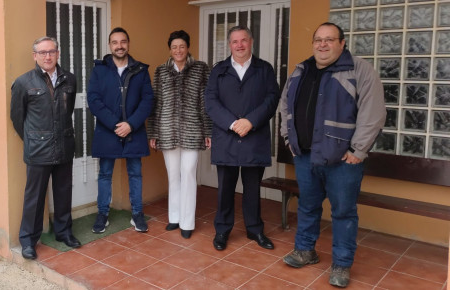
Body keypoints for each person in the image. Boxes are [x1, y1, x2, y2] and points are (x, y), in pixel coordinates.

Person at [279, 22, 386, 288]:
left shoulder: (359, 69)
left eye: (329, 39)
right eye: (318, 39)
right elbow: (285, 106)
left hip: (343, 161)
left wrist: (357, 150)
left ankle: (341, 263)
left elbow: (373, 112)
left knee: (343, 212)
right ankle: (305, 250)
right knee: (307, 206)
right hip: (305, 156)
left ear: (342, 43)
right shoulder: (301, 70)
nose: (322, 44)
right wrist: (287, 138)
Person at [204, 26, 280, 251]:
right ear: (229, 45)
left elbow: (272, 98)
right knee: (225, 190)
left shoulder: (264, 69)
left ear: (251, 42)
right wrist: (233, 123)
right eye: (235, 41)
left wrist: (250, 121)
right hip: (226, 137)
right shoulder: (218, 70)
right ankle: (222, 231)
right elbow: (211, 101)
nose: (239, 45)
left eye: (243, 40)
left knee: (252, 189)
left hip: (254, 139)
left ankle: (255, 229)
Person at [10, 36, 81, 260]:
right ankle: (28, 241)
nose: (48, 56)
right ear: (35, 56)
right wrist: (34, 139)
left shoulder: (69, 79)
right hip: (37, 151)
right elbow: (17, 118)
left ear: (58, 54)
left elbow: (67, 112)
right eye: (43, 52)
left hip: (64, 146)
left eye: (51, 51)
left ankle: (63, 232)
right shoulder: (23, 82)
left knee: (63, 192)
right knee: (35, 197)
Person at [87, 27, 153, 234]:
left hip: (134, 130)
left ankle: (137, 214)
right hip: (109, 130)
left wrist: (131, 124)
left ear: (128, 44)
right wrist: (116, 124)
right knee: (105, 174)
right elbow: (94, 100)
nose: (119, 46)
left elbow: (148, 100)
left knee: (135, 173)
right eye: (115, 42)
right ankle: (102, 214)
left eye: (123, 41)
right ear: (110, 45)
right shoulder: (99, 70)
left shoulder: (141, 70)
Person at [147, 30, 211, 239]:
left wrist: (208, 130)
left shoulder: (200, 69)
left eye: (181, 46)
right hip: (167, 130)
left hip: (193, 130)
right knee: (173, 175)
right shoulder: (161, 71)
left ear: (188, 47)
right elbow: (156, 103)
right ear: (170, 49)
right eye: (174, 47)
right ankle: (174, 217)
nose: (178, 50)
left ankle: (187, 222)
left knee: (189, 173)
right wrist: (153, 132)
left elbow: (206, 102)